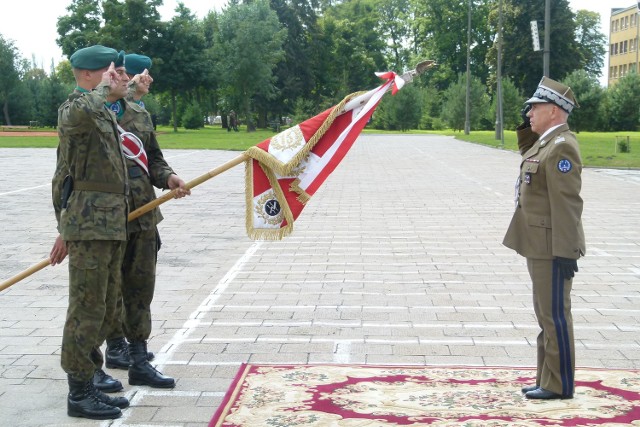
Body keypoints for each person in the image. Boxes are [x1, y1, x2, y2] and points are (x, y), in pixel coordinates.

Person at [101, 53, 190, 389]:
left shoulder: (139, 112)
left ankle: (138, 359)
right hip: (106, 216)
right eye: (132, 74)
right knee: (109, 290)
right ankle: (112, 348)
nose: (140, 79)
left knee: (140, 288)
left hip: (142, 214)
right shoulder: (95, 109)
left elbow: (153, 157)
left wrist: (169, 178)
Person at [53, 45, 131, 420]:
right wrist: (63, 227)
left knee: (102, 307)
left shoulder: (101, 112)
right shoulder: (75, 108)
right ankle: (79, 392)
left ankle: (91, 379)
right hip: (88, 224)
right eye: (110, 71)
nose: (117, 77)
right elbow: (62, 175)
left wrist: (110, 91)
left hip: (109, 224)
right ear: (87, 75)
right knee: (85, 309)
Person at [503, 77, 586, 400]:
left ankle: (559, 384)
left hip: (553, 247)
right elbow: (528, 154)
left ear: (553, 111)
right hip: (539, 243)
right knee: (546, 314)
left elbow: (568, 204)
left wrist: (566, 252)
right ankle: (547, 378)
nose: (529, 113)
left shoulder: (563, 146)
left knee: (555, 316)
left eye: (534, 108)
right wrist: (526, 126)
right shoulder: (548, 142)